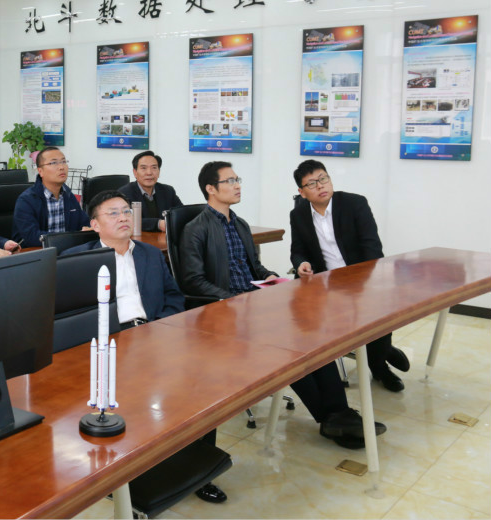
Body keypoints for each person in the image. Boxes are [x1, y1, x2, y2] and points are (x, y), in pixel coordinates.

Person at [180, 161, 386, 449]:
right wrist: (232, 299)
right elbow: (193, 281)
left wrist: (269, 277)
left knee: (312, 334)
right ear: (211, 189)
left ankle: (339, 413)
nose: (238, 185)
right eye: (230, 181)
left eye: (238, 179)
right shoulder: (195, 229)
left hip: (255, 303)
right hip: (228, 312)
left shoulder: (239, 224)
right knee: (287, 349)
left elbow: (254, 267)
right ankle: (330, 418)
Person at [62, 190, 226, 504]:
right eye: (113, 213)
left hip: (154, 334)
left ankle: (201, 469)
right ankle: (128, 476)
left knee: (202, 385)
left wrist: (159, 328)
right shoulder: (77, 260)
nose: (123, 217)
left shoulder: (150, 254)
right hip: (109, 343)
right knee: (135, 399)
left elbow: (174, 297)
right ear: (95, 224)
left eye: (126, 211)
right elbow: (67, 316)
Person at [290, 159, 409, 392]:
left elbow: (372, 247)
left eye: (323, 178)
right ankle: (381, 353)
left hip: (361, 278)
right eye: (312, 183)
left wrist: (360, 282)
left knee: (379, 314)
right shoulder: (299, 214)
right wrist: (301, 263)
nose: (320, 186)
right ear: (302, 192)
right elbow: (297, 250)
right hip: (324, 285)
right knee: (305, 318)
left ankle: (380, 364)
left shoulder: (355, 204)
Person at [12, 146, 90, 248]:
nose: (61, 167)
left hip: (66, 251)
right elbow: (31, 237)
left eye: (63, 161)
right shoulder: (27, 200)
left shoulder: (68, 195)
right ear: (40, 171)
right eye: (53, 163)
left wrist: (90, 229)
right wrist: (69, 238)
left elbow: (84, 223)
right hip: (38, 253)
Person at [117, 150, 182, 232]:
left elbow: (181, 213)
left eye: (154, 168)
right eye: (143, 168)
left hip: (163, 238)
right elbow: (128, 220)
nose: (149, 173)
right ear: (135, 172)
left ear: (159, 172)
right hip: (136, 238)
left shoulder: (168, 191)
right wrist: (158, 224)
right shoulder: (124, 194)